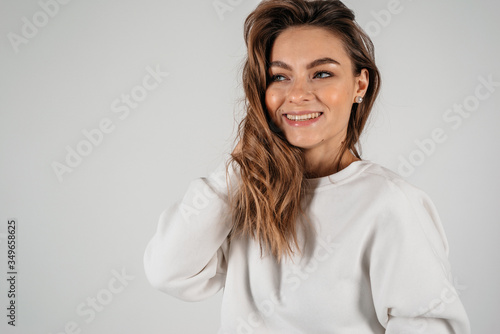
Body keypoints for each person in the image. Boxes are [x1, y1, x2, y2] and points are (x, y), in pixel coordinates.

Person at [144, 0, 471, 333]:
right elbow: (168, 271)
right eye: (280, 76)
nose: (297, 94)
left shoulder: (390, 203)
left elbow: (432, 326)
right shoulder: (249, 191)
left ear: (360, 85)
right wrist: (246, 161)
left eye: (322, 73)